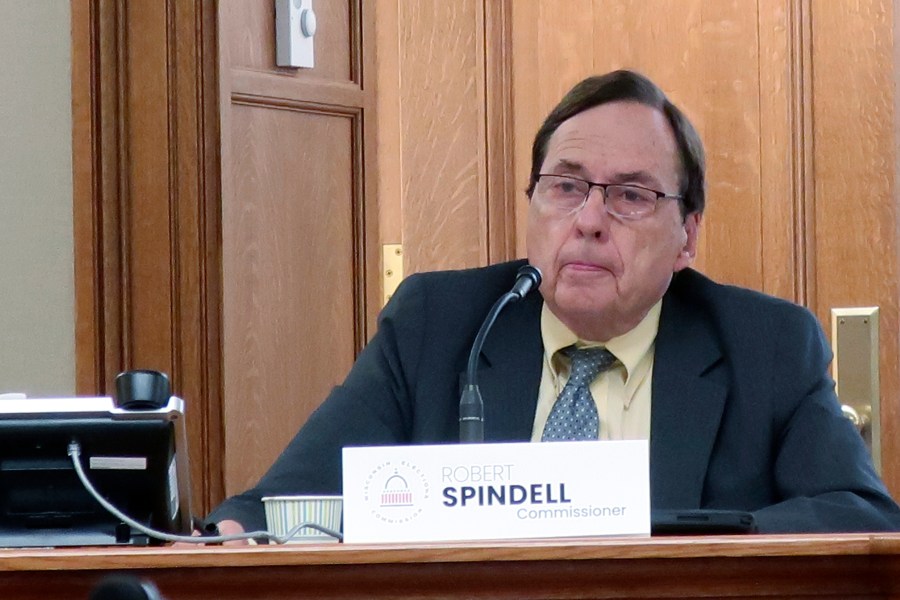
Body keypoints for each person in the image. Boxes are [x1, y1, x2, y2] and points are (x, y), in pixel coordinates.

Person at [206, 69, 900, 536]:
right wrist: (232, 534)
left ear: (687, 234)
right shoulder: (439, 327)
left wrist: (684, 536)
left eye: (630, 195)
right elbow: (285, 507)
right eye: (566, 187)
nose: (590, 220)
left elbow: (865, 517)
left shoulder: (765, 345)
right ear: (532, 205)